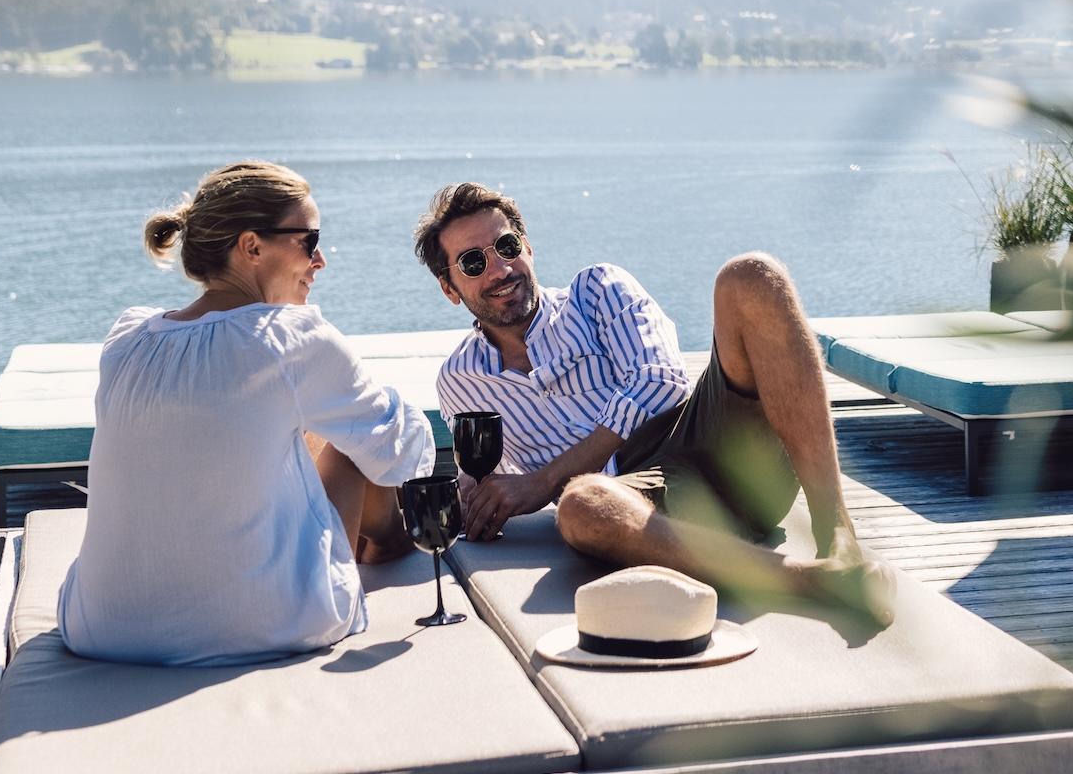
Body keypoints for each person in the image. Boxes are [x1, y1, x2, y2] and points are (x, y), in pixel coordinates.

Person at [418, 181, 894, 626]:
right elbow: (480, 479)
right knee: (581, 504)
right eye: (473, 263)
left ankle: (838, 534)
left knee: (751, 275)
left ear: (527, 248)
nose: (500, 270)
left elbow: (662, 383)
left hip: (709, 443)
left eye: (506, 247)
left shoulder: (596, 292)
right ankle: (812, 582)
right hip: (636, 509)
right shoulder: (461, 381)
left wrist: (543, 481)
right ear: (449, 288)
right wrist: (468, 503)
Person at [58, 161, 436, 666]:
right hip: (261, 625)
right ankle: (388, 549)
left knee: (294, 429)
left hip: (102, 626)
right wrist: (378, 406)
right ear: (252, 246)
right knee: (352, 446)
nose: (320, 259)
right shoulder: (291, 339)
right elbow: (403, 457)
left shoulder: (128, 340)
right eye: (309, 240)